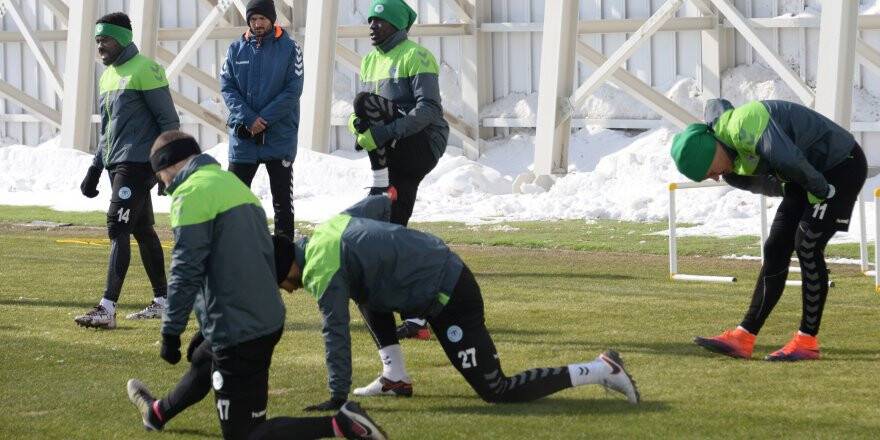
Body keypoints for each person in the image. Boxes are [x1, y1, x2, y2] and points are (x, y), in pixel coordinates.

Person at [125, 131, 386, 440]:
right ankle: (157, 413)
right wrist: (208, 327)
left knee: (246, 434)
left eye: (160, 177)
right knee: (204, 361)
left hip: (239, 329)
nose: (163, 185)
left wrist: (171, 331)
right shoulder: (233, 185)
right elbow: (245, 262)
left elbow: (186, 268)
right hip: (264, 317)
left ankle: (343, 424)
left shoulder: (190, 194)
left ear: (168, 166)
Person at [272, 195, 641, 411]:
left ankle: (602, 369)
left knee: (497, 391)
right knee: (366, 291)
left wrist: (337, 397)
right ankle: (395, 377)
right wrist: (396, 248)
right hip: (436, 269)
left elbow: (335, 332)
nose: (288, 291)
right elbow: (380, 204)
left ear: (289, 267)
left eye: (282, 284)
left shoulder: (321, 269)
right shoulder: (327, 229)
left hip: (451, 295)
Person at [670, 98, 868, 361]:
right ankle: (744, 337)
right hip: (807, 173)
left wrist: (822, 192)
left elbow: (789, 159)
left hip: (841, 165)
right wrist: (796, 193)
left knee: (807, 244)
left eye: (709, 172)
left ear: (708, 152)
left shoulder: (744, 124)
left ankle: (806, 341)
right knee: (775, 247)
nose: (715, 177)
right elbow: (774, 184)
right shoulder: (731, 168)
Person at [347, 0, 449, 341]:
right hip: (393, 150)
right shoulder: (369, 60)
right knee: (391, 230)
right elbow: (361, 114)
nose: (372, 27)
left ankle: (416, 308)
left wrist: (385, 133)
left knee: (387, 228)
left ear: (396, 25)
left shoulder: (416, 56)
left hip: (421, 143)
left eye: (379, 21)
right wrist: (357, 129)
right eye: (370, 21)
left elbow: (430, 109)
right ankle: (416, 317)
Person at [75, 12, 179, 329]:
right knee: (143, 230)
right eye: (97, 40)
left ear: (121, 39)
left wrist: (167, 166)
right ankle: (163, 302)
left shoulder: (146, 69)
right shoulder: (107, 76)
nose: (100, 46)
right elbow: (108, 131)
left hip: (138, 164)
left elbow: (169, 121)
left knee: (116, 226)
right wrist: (95, 168)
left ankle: (107, 308)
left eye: (105, 40)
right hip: (116, 164)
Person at [220, 0, 304, 240]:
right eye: (253, 19)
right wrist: (249, 119)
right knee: (232, 201)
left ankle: (284, 256)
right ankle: (237, 251)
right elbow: (227, 87)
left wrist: (263, 120)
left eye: (262, 19)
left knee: (282, 204)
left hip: (279, 138)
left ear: (272, 19)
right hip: (244, 139)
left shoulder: (291, 48)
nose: (257, 24)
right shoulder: (235, 49)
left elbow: (293, 90)